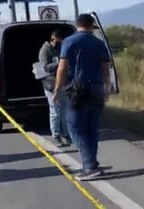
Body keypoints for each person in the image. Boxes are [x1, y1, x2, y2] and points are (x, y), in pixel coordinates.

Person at [53, 14, 111, 181]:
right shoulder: (99, 43)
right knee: (92, 129)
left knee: (76, 128)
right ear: (92, 25)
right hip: (97, 88)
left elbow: (62, 68)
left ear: (78, 25)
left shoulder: (69, 42)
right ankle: (92, 163)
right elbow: (105, 68)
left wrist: (57, 89)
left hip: (78, 90)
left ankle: (90, 167)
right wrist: (106, 88)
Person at [38, 30, 71, 147]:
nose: (59, 44)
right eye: (58, 42)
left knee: (64, 110)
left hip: (62, 82)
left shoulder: (61, 48)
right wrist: (60, 64)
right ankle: (56, 134)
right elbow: (46, 67)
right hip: (51, 83)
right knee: (55, 111)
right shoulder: (45, 50)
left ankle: (65, 134)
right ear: (52, 39)